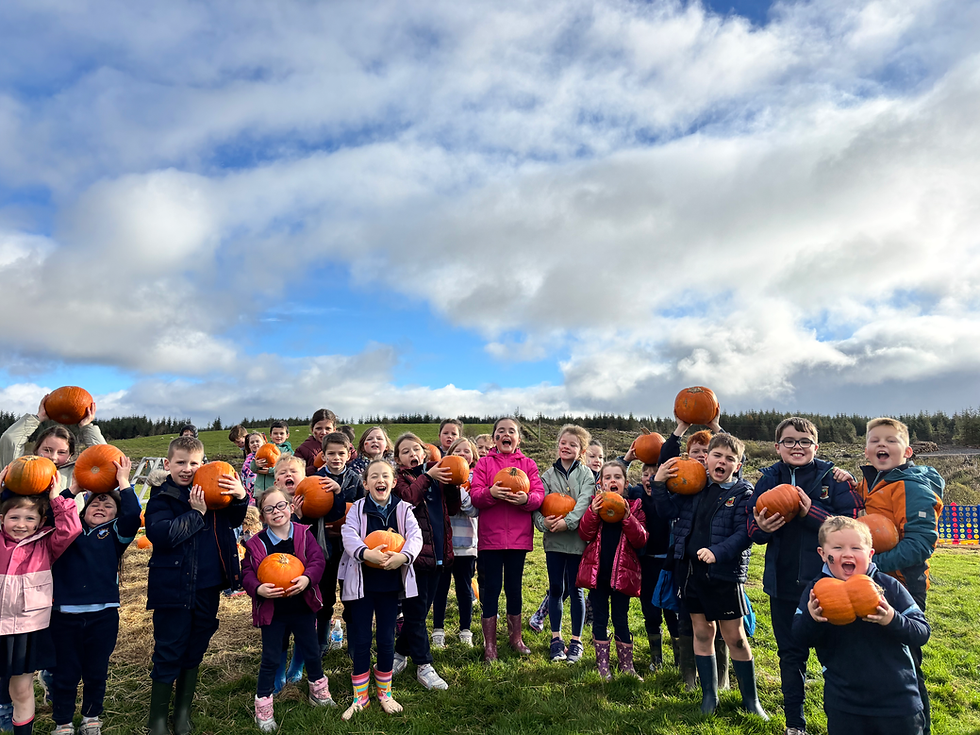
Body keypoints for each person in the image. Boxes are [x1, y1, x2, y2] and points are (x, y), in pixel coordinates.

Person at [747, 417, 862, 735]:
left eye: (804, 441)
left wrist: (811, 512)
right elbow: (751, 525)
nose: (796, 447)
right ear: (777, 447)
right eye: (789, 441)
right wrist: (761, 529)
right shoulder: (768, 478)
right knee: (790, 655)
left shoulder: (833, 478)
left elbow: (852, 526)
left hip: (828, 585)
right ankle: (795, 724)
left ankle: (842, 721)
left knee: (835, 655)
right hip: (782, 584)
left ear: (816, 446)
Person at [652, 434, 767, 719]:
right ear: (707, 459)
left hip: (723, 574)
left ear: (737, 465)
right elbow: (667, 511)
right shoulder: (694, 488)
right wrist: (658, 483)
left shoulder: (743, 494)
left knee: (736, 638)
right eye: (717, 456)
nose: (723, 462)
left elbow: (745, 534)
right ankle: (709, 696)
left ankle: (751, 701)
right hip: (690, 573)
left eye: (730, 458)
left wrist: (718, 552)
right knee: (702, 633)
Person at [144, 436, 248, 735]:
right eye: (180, 463)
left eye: (193, 463)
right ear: (168, 464)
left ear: (202, 464)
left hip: (208, 585)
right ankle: (158, 720)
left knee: (195, 647)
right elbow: (163, 535)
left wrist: (241, 495)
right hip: (172, 588)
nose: (187, 469)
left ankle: (182, 713)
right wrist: (196, 513)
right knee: (169, 648)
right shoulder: (163, 497)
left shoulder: (214, 492)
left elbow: (235, 519)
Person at [793, 516, 929, 735]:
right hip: (845, 704)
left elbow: (922, 632)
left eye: (856, 548)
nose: (847, 554)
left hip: (898, 702)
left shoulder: (888, 587)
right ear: (822, 554)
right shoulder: (816, 593)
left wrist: (892, 618)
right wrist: (811, 617)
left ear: (870, 554)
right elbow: (799, 638)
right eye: (837, 548)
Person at [856, 417, 944, 735]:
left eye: (891, 440)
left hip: (904, 585)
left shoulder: (913, 487)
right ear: (866, 451)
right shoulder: (869, 482)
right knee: (873, 657)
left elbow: (920, 545)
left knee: (904, 661)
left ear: (906, 451)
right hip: (872, 580)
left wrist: (872, 564)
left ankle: (917, 725)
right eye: (875, 440)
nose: (882, 445)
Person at [49, 456, 140, 735]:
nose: (100, 505)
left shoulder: (115, 535)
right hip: (64, 616)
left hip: (103, 617)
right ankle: (63, 722)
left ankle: (91, 719)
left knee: (95, 672)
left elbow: (133, 515)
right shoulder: (69, 530)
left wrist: (124, 482)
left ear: (115, 514)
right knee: (64, 674)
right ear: (85, 508)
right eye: (96, 502)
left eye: (108, 504)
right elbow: (54, 512)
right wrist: (73, 489)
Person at [242, 487, 335, 732]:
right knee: (271, 658)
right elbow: (247, 572)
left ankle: (318, 690)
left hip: (303, 607)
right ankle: (263, 705)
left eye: (281, 505)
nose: (277, 512)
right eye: (269, 509)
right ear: (262, 516)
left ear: (291, 507)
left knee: (312, 651)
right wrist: (257, 589)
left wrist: (307, 579)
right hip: (273, 613)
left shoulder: (305, 534)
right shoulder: (256, 544)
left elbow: (317, 560)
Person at [337, 459, 423, 720]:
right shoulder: (357, 509)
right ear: (365, 483)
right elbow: (348, 533)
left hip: (389, 586)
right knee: (361, 639)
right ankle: (360, 697)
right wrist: (365, 553)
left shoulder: (404, 510)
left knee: (386, 640)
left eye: (385, 476)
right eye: (374, 476)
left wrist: (404, 556)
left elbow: (415, 536)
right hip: (362, 585)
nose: (380, 480)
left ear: (393, 482)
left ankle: (385, 693)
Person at [0, 465, 82, 735]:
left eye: (29, 518)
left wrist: (57, 497)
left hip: (26, 629)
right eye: (14, 517)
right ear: (2, 519)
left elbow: (71, 528)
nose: (21, 524)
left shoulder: (46, 543)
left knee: (21, 689)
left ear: (39, 521)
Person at [469, 417, 544, 662]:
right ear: (494, 438)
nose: (506, 434)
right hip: (490, 539)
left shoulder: (528, 464)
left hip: (518, 540)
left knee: (514, 589)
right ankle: (490, 644)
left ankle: (515, 638)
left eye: (511, 431)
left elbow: (539, 495)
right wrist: (490, 493)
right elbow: (475, 495)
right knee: (490, 590)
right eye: (501, 431)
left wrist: (526, 501)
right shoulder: (484, 464)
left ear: (518, 439)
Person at [390, 432, 460, 690]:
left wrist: (451, 484)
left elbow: (452, 509)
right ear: (398, 458)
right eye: (405, 451)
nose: (412, 454)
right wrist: (428, 477)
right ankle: (424, 665)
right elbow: (408, 499)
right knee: (416, 613)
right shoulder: (399, 480)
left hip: (440, 555)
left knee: (419, 611)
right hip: (415, 558)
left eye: (416, 449)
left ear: (425, 452)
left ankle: (399, 653)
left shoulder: (437, 476)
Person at [577, 460, 648, 679]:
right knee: (599, 618)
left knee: (621, 618)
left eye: (617, 477)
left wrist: (627, 518)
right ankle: (603, 666)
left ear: (626, 484)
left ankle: (627, 666)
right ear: (601, 484)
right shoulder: (594, 505)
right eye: (607, 477)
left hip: (622, 576)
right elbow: (585, 534)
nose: (612, 481)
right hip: (598, 575)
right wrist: (592, 512)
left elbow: (641, 539)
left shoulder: (635, 507)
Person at [532, 425, 593, 663]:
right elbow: (537, 506)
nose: (566, 447)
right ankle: (556, 640)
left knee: (576, 589)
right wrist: (543, 523)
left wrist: (567, 522)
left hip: (577, 541)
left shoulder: (586, 475)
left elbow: (583, 504)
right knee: (556, 588)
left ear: (581, 450)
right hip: (554, 542)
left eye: (573, 444)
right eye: (563, 443)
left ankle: (576, 641)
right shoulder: (547, 476)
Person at [307, 432, 365, 654]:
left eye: (341, 453)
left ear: (349, 453)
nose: (336, 457)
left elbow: (360, 510)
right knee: (325, 595)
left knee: (350, 595)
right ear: (323, 454)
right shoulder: (315, 479)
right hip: (325, 547)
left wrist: (340, 495)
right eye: (331, 453)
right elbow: (312, 510)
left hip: (348, 547)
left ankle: (353, 643)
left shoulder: (354, 480)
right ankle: (321, 640)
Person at [0, 394, 106, 502]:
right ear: (36, 450)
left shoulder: (76, 473)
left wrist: (86, 426)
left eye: (62, 452)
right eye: (47, 450)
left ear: (70, 455)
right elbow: (10, 440)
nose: (53, 457)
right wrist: (38, 418)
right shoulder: (21, 469)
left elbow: (105, 456)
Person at [431, 437, 480, 648]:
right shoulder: (440, 480)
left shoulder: (476, 480)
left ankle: (465, 630)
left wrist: (459, 489)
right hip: (444, 545)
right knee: (440, 590)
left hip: (467, 545)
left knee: (464, 589)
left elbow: (474, 509)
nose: (462, 454)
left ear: (473, 457)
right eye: (457, 451)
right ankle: (438, 630)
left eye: (466, 451)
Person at [631, 461, 679, 672]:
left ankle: (680, 658)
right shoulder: (637, 495)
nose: (649, 477)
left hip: (668, 564)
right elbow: (614, 483)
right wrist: (627, 458)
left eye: (655, 473)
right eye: (645, 473)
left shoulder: (672, 498)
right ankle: (656, 658)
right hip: (646, 562)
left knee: (672, 611)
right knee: (650, 611)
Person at [294, 409, 337, 476]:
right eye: (319, 428)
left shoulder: (344, 446)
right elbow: (295, 472)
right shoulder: (303, 449)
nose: (323, 432)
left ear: (334, 429)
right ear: (312, 429)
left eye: (328, 428)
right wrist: (316, 469)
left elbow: (352, 464)